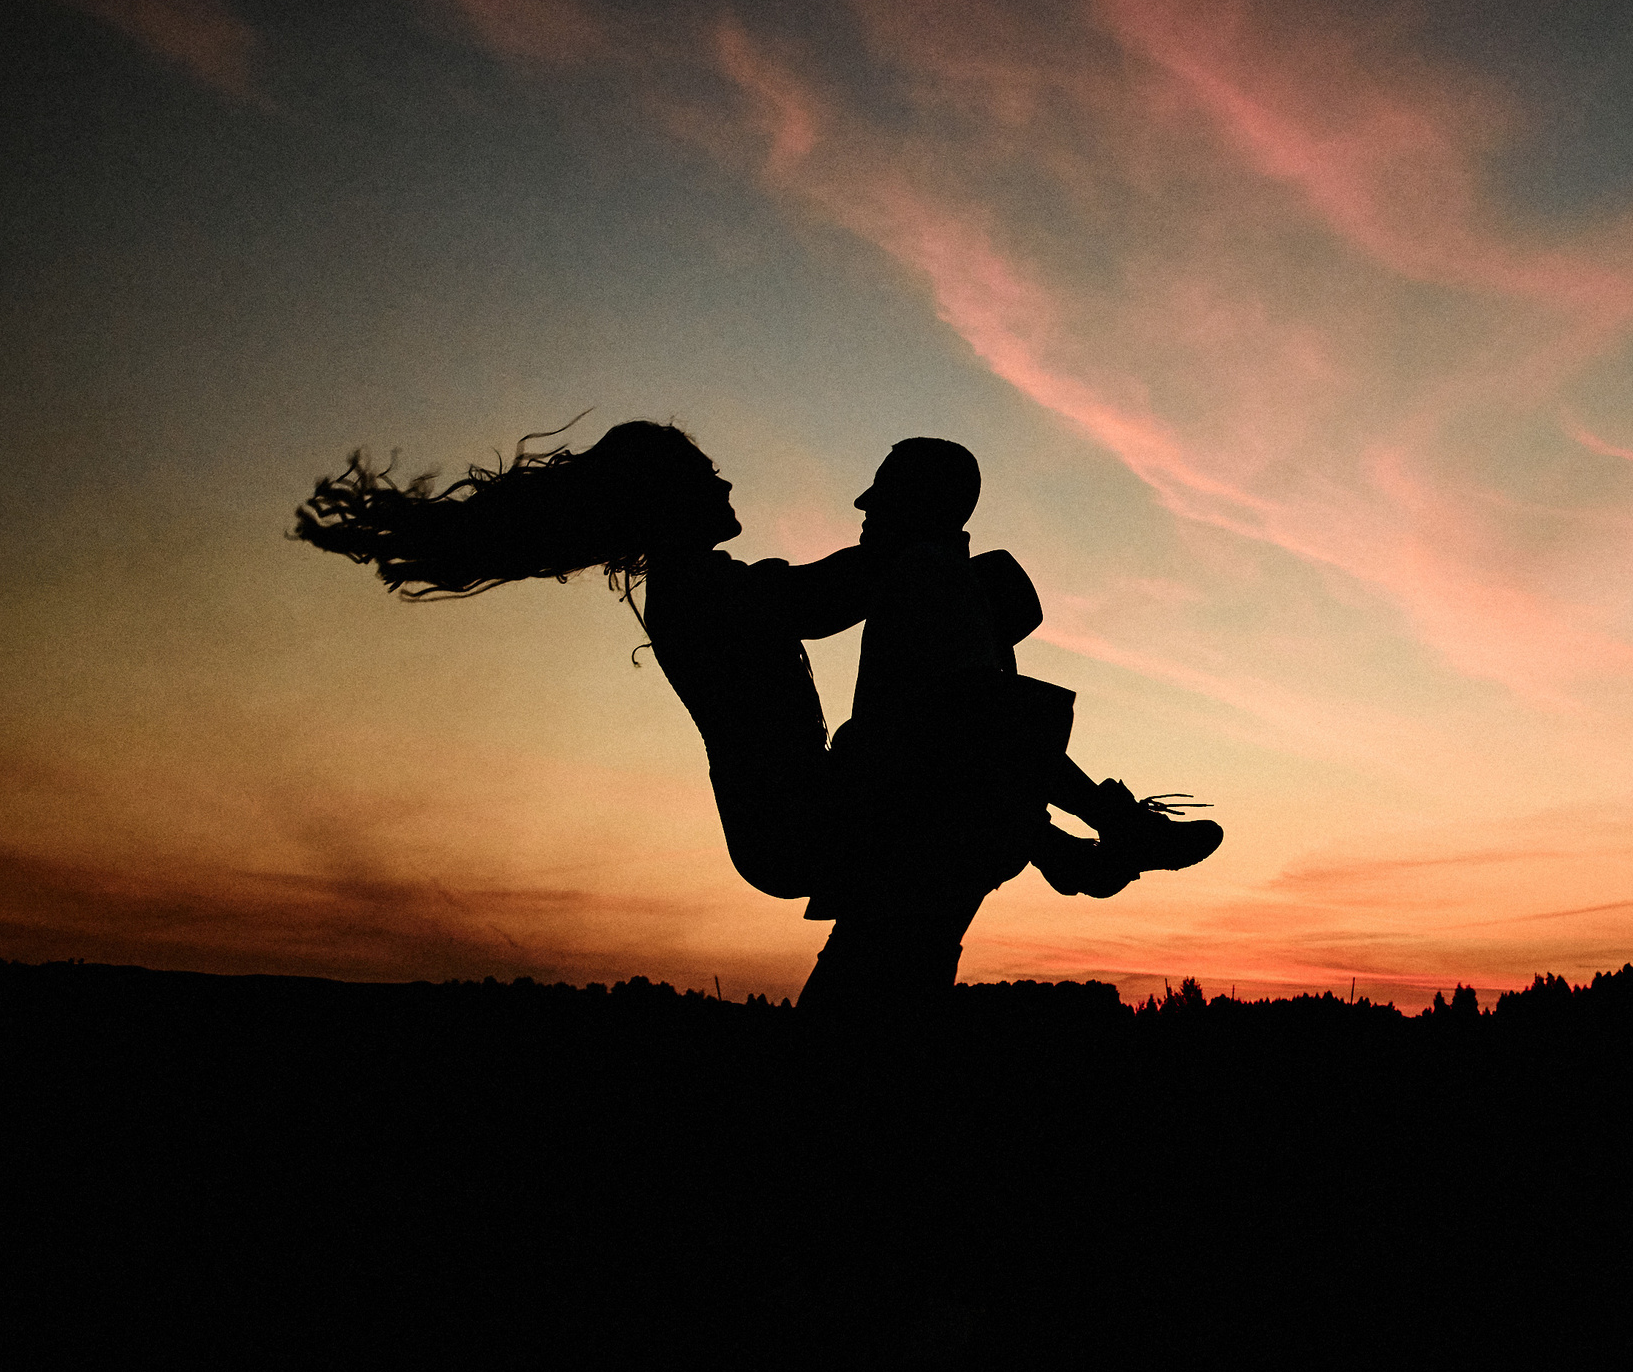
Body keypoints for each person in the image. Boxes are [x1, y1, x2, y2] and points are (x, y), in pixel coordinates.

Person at [293, 419, 1220, 1003]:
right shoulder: (702, 593)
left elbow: (858, 598)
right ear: (672, 504)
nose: (730, 489)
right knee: (953, 642)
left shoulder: (711, 585)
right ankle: (1087, 833)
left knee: (956, 650)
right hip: (798, 821)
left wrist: (953, 567)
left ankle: (1071, 845)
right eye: (709, 479)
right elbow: (836, 593)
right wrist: (934, 544)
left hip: (835, 797)